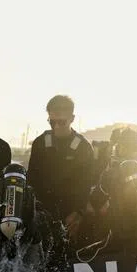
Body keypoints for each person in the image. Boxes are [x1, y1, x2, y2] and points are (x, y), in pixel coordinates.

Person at [26, 94, 97, 242]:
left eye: (61, 122)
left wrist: (78, 212)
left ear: (72, 118)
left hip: (71, 210)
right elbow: (31, 180)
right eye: (52, 122)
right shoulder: (40, 143)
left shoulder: (83, 147)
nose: (56, 126)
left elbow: (86, 184)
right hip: (42, 209)